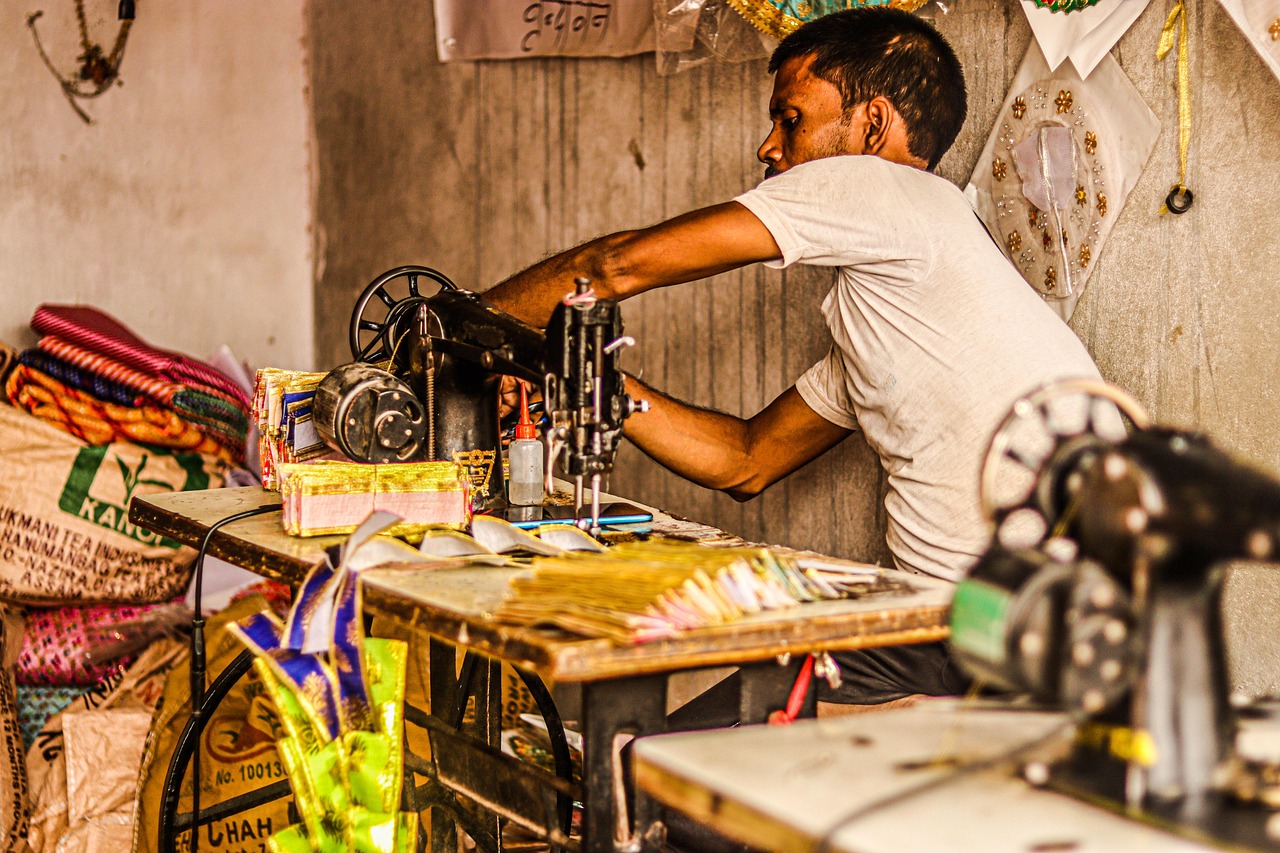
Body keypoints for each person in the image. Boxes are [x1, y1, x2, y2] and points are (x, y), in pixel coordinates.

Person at [484, 7, 1103, 704]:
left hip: (973, 640)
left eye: (791, 118)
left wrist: (462, 325)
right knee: (660, 764)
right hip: (992, 634)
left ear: (873, 127)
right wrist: (589, 379)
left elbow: (615, 266)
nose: (768, 147)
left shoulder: (885, 188)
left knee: (653, 777)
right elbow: (748, 459)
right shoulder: (910, 293)